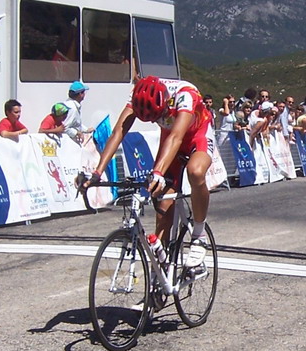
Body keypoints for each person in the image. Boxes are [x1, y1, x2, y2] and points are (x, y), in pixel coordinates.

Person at [88, 75, 213, 268]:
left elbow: (177, 137)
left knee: (195, 172)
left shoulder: (184, 96)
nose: (157, 121)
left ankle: (199, 234)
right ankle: (161, 268)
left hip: (197, 134)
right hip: (169, 137)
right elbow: (118, 132)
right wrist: (97, 172)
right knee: (161, 201)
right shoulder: (137, 96)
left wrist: (158, 172)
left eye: (158, 116)